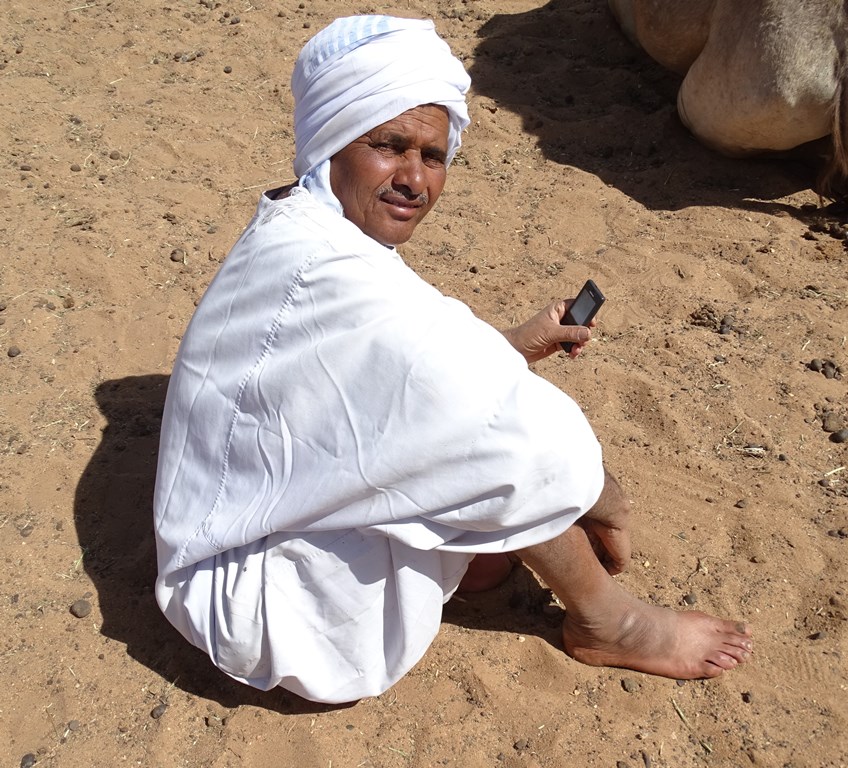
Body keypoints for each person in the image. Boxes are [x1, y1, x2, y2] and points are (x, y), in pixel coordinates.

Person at [153, 15, 753, 705]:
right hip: (251, 596)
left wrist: (516, 346)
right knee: (504, 436)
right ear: (334, 142)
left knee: (472, 412)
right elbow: (494, 419)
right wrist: (604, 496)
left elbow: (390, 374)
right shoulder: (324, 270)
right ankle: (608, 619)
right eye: (389, 146)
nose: (413, 178)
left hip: (246, 519)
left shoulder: (305, 230)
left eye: (433, 156)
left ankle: (486, 559)